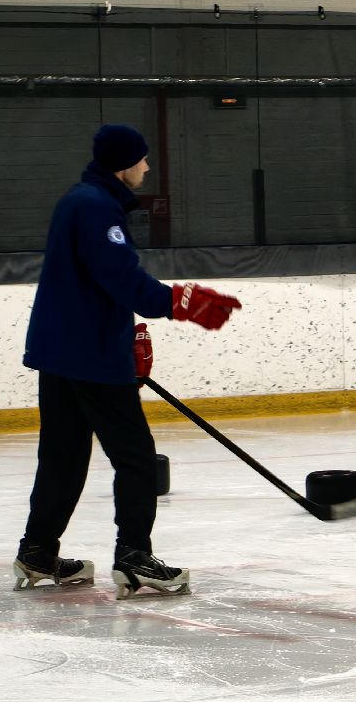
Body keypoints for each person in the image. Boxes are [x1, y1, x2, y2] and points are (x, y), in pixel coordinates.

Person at [15, 124, 243, 599]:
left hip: (63, 351)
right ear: (123, 164)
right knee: (136, 459)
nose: (146, 167)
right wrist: (182, 302)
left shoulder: (79, 200)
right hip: (90, 356)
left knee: (62, 456)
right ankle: (134, 556)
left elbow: (92, 284)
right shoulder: (98, 209)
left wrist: (128, 332)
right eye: (141, 160)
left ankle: (36, 550)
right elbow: (122, 279)